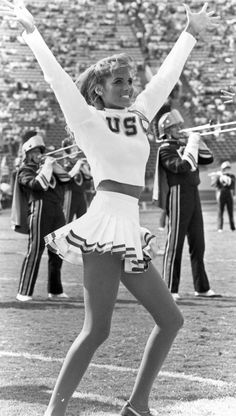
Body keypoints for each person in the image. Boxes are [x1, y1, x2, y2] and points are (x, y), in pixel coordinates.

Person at [1, 1, 219, 415]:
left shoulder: (139, 116)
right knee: (97, 329)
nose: (129, 86)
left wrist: (189, 33)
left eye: (131, 79)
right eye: (119, 81)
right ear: (100, 88)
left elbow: (166, 79)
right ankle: (55, 412)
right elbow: (57, 78)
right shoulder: (87, 119)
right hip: (103, 227)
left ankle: (137, 405)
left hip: (130, 227)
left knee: (171, 319)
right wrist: (32, 33)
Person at [153, 109, 220, 301]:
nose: (180, 129)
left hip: (193, 193)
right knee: (175, 243)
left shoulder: (184, 144)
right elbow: (182, 166)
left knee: (198, 243)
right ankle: (169, 288)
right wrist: (191, 142)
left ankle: (202, 287)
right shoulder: (165, 148)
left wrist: (198, 140)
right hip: (177, 194)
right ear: (167, 129)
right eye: (175, 126)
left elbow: (208, 159)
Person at [11, 130, 80, 302]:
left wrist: (54, 165)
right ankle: (24, 292)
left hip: (57, 211)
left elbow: (67, 180)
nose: (39, 155)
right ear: (27, 154)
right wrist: (47, 167)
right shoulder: (24, 170)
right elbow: (38, 185)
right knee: (35, 251)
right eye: (34, 152)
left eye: (40, 152)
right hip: (39, 209)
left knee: (58, 251)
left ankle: (55, 290)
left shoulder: (48, 168)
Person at [61, 137, 92, 223]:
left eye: (76, 147)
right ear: (67, 148)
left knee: (83, 221)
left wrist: (84, 168)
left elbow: (89, 177)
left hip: (81, 194)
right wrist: (78, 165)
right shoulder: (65, 162)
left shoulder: (77, 162)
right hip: (70, 194)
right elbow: (68, 176)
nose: (76, 149)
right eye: (73, 147)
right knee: (67, 221)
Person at [210, 161, 235, 231]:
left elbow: (232, 186)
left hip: (229, 195)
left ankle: (232, 227)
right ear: (222, 169)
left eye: (228, 168)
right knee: (220, 212)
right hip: (220, 195)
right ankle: (219, 228)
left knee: (231, 212)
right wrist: (216, 177)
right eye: (226, 168)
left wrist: (226, 178)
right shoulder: (218, 176)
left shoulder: (232, 176)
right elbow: (213, 185)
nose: (227, 169)